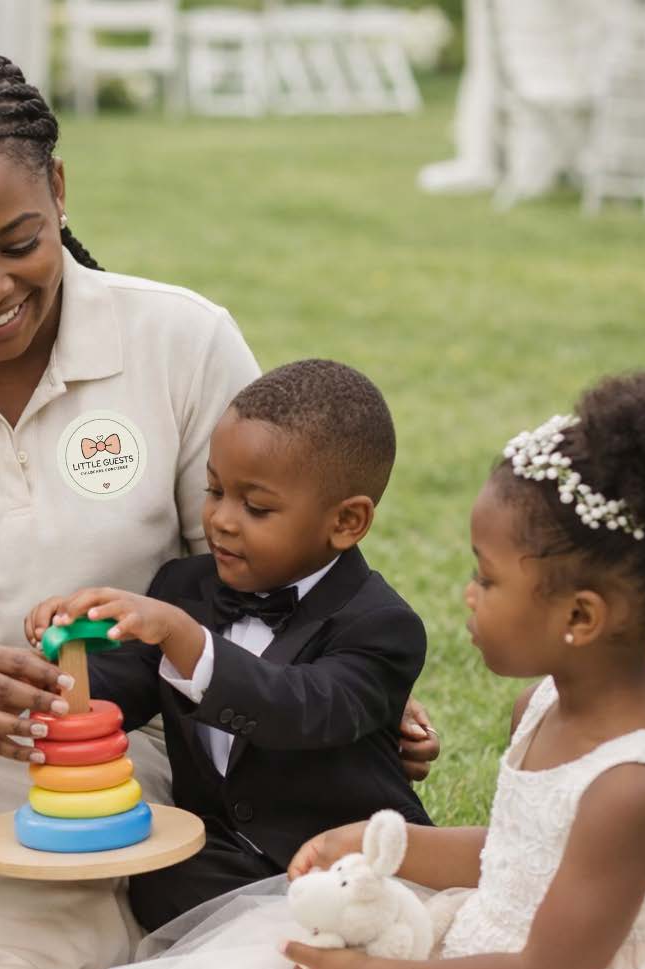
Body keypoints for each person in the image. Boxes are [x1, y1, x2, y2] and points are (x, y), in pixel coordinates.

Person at [0, 43, 438, 969]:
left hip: (128, 730)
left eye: (18, 243)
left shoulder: (182, 339)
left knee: (80, 930)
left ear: (62, 193)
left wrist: (340, 705)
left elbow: (262, 572)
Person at [0, 367, 645, 969]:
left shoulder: (634, 782)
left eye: (486, 579)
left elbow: (552, 968)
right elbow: (522, 849)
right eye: (213, 492)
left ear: (580, 616)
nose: (468, 595)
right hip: (304, 876)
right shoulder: (539, 705)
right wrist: (58, 678)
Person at [25, 359, 431, 932]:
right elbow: (127, 687)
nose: (220, 519)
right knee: (161, 880)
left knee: (354, 917)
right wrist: (61, 657)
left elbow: (300, 707)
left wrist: (187, 640)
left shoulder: (382, 625)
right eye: (214, 490)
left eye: (256, 507)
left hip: (348, 861)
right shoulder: (182, 588)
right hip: (226, 857)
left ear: (347, 522)